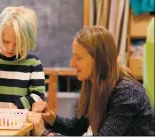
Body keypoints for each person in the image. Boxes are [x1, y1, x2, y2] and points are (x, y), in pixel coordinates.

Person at [27, 26, 155, 136]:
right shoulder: (93, 85)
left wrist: (44, 133)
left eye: (79, 58)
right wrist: (50, 117)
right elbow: (76, 127)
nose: (72, 63)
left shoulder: (128, 93)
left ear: (99, 60)